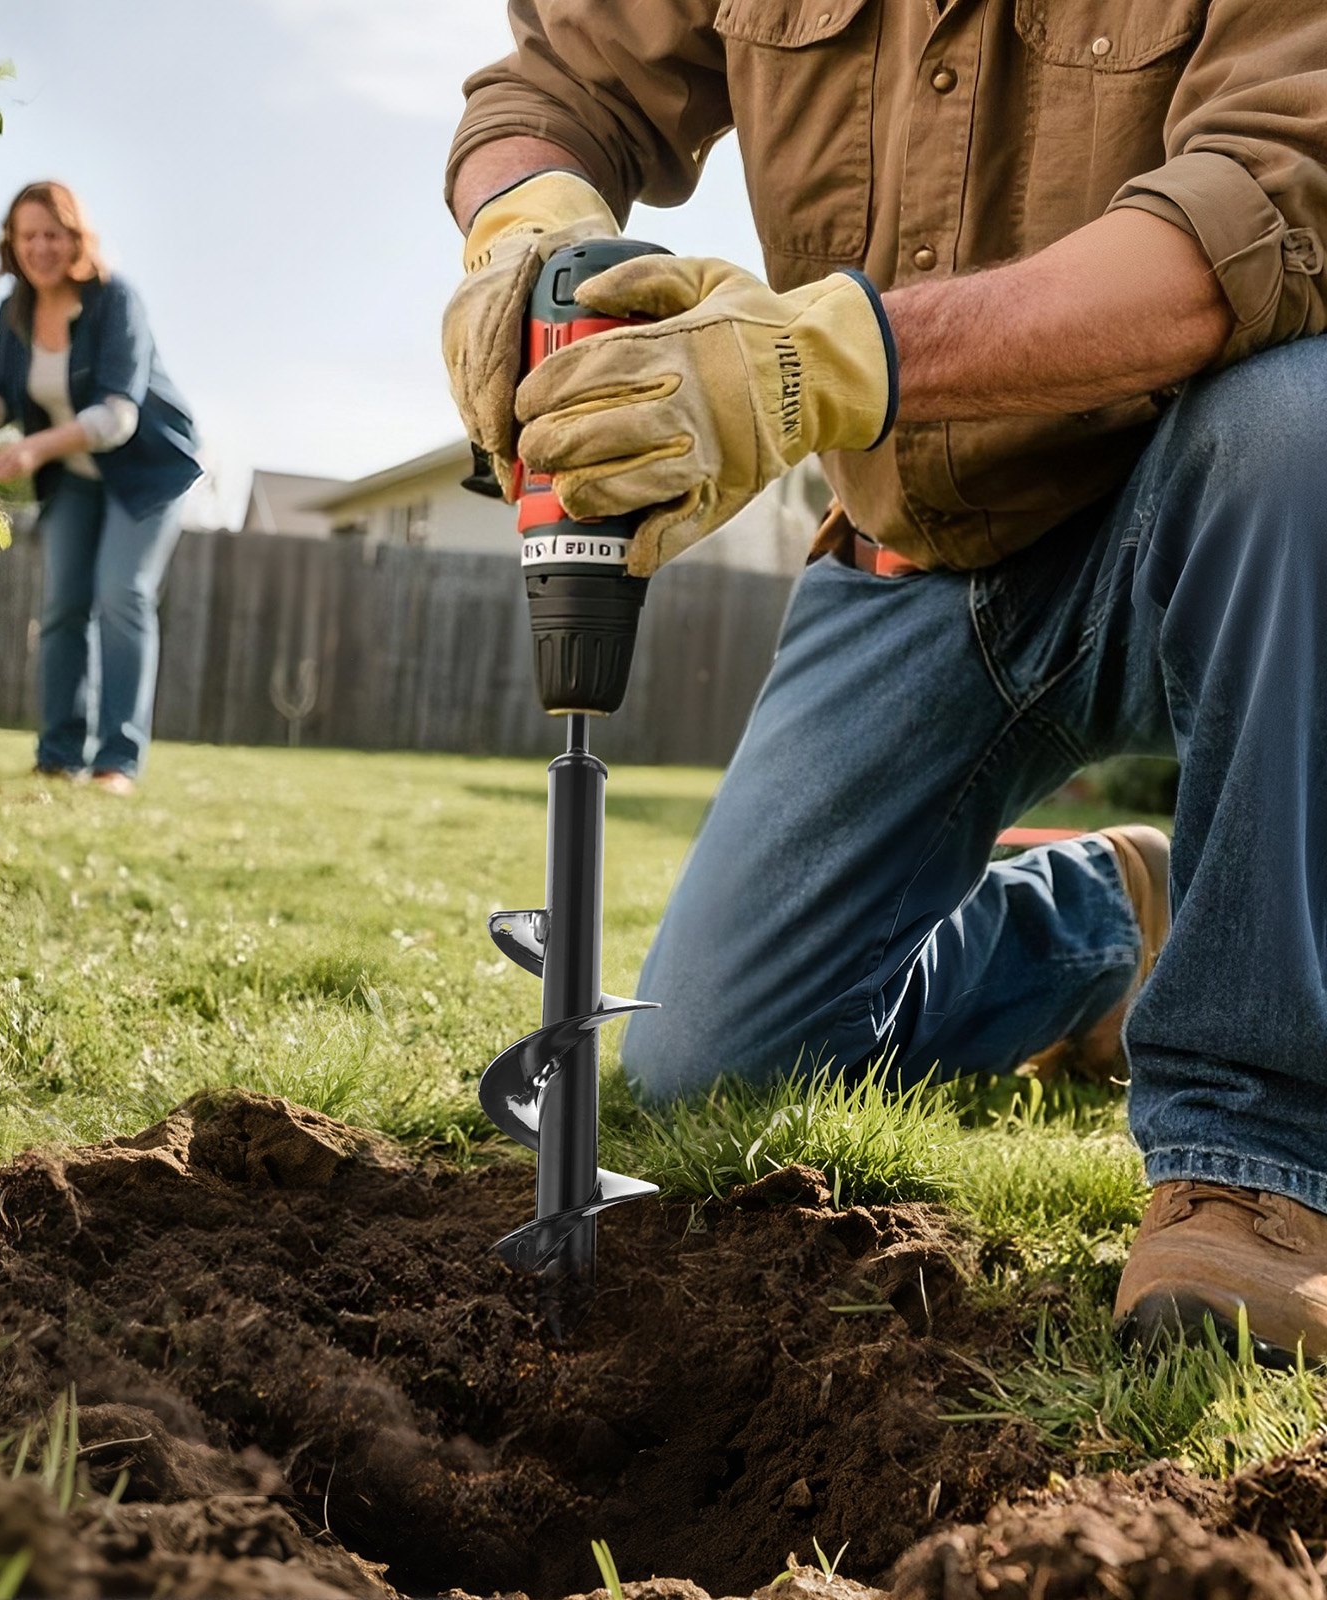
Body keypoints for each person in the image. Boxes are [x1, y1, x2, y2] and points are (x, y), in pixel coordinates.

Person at [443, 9, 1327, 1358]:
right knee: (709, 1067)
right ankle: (1105, 925)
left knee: (1302, 423)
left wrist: (812, 363)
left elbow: (1262, 207)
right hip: (919, 559)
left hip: (1204, 512)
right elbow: (557, 80)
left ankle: (1253, 1160)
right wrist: (526, 220)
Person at [0, 180, 201, 795]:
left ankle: (116, 763)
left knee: (122, 595)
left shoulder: (114, 300)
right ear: (13, 244)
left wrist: (32, 448)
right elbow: (1, 407)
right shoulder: (14, 310)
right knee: (61, 609)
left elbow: (117, 417)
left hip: (145, 470)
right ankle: (58, 757)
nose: (40, 247)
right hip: (73, 478)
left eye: (52, 234)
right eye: (28, 235)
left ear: (76, 239)